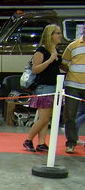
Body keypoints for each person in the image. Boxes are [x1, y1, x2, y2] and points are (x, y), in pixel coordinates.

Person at [22, 24, 62, 152]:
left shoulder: (55, 50)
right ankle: (28, 140)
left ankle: (41, 142)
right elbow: (36, 69)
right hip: (43, 87)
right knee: (44, 117)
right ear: (50, 35)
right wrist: (50, 60)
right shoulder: (41, 51)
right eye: (57, 33)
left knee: (46, 118)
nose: (60, 36)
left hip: (53, 86)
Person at [61, 28, 85, 154]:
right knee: (69, 115)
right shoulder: (72, 46)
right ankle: (71, 143)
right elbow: (64, 64)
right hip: (73, 86)